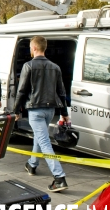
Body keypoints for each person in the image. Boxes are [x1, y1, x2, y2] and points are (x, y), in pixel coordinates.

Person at [13, 36, 69, 192]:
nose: (30, 50)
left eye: (31, 48)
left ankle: (59, 178)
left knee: (44, 142)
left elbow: (22, 91)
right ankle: (32, 164)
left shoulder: (28, 66)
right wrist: (64, 113)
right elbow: (61, 92)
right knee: (39, 137)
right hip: (50, 110)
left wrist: (16, 111)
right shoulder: (55, 67)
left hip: (35, 109)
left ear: (34, 48)